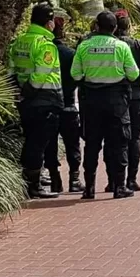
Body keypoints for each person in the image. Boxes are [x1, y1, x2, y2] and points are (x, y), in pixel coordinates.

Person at [71, 10, 140, 199]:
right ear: (115, 28)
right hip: (117, 102)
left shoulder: (84, 46)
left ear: (96, 26)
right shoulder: (121, 47)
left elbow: (75, 75)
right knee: (119, 144)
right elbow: (134, 74)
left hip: (91, 102)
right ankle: (119, 188)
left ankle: (89, 188)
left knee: (92, 145)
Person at [7, 3, 63, 199]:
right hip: (44, 101)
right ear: (49, 23)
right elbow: (40, 76)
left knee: (31, 141)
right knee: (37, 145)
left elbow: (11, 72)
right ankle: (34, 186)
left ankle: (29, 183)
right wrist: (30, 93)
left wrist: (22, 95)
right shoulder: (45, 45)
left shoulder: (19, 41)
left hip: (25, 101)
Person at [102, 9, 140, 193]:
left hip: (113, 97)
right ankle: (131, 179)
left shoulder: (110, 44)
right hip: (134, 96)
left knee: (112, 140)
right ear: (129, 26)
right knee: (134, 138)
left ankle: (113, 181)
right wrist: (138, 71)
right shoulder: (138, 45)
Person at [42, 16, 84, 193]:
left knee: (50, 143)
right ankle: (74, 179)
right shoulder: (70, 54)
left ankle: (54, 178)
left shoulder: (43, 52)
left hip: (49, 105)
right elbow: (78, 77)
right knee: (72, 143)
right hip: (68, 105)